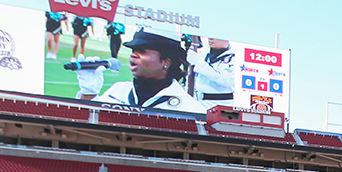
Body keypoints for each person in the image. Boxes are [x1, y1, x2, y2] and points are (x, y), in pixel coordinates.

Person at [75, 29, 207, 114]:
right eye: (133, 51)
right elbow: (88, 124)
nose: (134, 55)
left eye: (142, 51)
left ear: (165, 62)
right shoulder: (118, 90)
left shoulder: (190, 108)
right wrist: (89, 94)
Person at [186, 38, 236, 109]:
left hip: (221, 104)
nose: (211, 38)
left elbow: (227, 80)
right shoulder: (204, 56)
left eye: (216, 36)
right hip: (199, 103)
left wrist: (199, 63)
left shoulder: (233, 58)